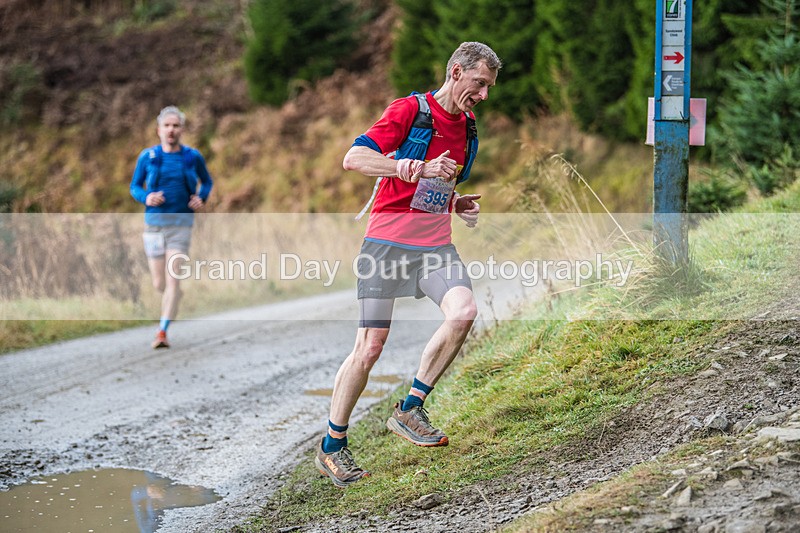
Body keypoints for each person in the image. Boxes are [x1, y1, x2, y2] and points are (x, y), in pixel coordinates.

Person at [315, 42, 501, 487]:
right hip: (386, 245)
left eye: (490, 87)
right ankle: (332, 447)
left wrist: (456, 203)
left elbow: (435, 185)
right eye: (479, 84)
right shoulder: (409, 111)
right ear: (456, 72)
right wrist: (407, 167)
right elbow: (354, 158)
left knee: (464, 312)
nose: (484, 95)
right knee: (370, 347)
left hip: (435, 246)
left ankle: (410, 407)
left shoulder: (468, 126)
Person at [130, 106, 213, 349]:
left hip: (181, 226)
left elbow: (206, 181)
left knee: (173, 279)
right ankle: (173, 298)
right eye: (167, 125)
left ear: (182, 130)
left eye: (176, 126)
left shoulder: (192, 157)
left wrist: (201, 197)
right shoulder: (148, 157)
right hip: (154, 226)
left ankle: (162, 332)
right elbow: (134, 186)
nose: (171, 130)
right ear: (159, 130)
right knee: (160, 284)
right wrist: (145, 197)